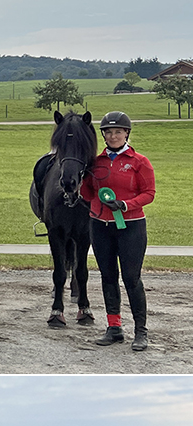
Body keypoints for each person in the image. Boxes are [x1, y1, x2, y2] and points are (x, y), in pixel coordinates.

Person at [80, 111, 156, 352]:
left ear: (126, 134)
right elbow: (89, 193)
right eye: (108, 132)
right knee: (108, 276)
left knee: (131, 279)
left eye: (118, 132)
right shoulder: (96, 162)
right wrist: (80, 183)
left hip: (131, 227)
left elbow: (149, 193)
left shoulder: (139, 162)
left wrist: (125, 205)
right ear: (103, 135)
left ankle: (140, 331)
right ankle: (114, 328)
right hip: (100, 226)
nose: (113, 136)